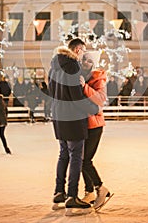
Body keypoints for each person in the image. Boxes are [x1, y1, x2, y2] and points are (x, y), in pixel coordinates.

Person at [48, 38, 100, 216]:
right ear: (77, 49)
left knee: (63, 154)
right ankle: (72, 197)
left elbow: (51, 93)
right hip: (73, 118)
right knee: (76, 156)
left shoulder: (54, 66)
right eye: (83, 50)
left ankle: (59, 194)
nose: (84, 54)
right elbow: (76, 97)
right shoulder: (72, 66)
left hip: (58, 117)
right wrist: (93, 108)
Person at [79, 51, 111, 210]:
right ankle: (90, 191)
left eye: (89, 61)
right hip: (83, 124)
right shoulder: (79, 76)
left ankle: (100, 188)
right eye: (84, 60)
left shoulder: (99, 79)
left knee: (85, 161)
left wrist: (84, 87)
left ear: (93, 64)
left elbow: (100, 99)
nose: (86, 63)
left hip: (95, 125)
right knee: (81, 160)